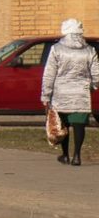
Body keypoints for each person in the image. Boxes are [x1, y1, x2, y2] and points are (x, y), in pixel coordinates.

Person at [42, 18, 99, 166]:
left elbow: (49, 74)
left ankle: (65, 154)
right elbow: (96, 74)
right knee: (79, 125)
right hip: (81, 94)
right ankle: (77, 155)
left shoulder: (57, 49)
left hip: (60, 94)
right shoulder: (89, 50)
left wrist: (46, 95)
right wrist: (91, 87)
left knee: (63, 125)